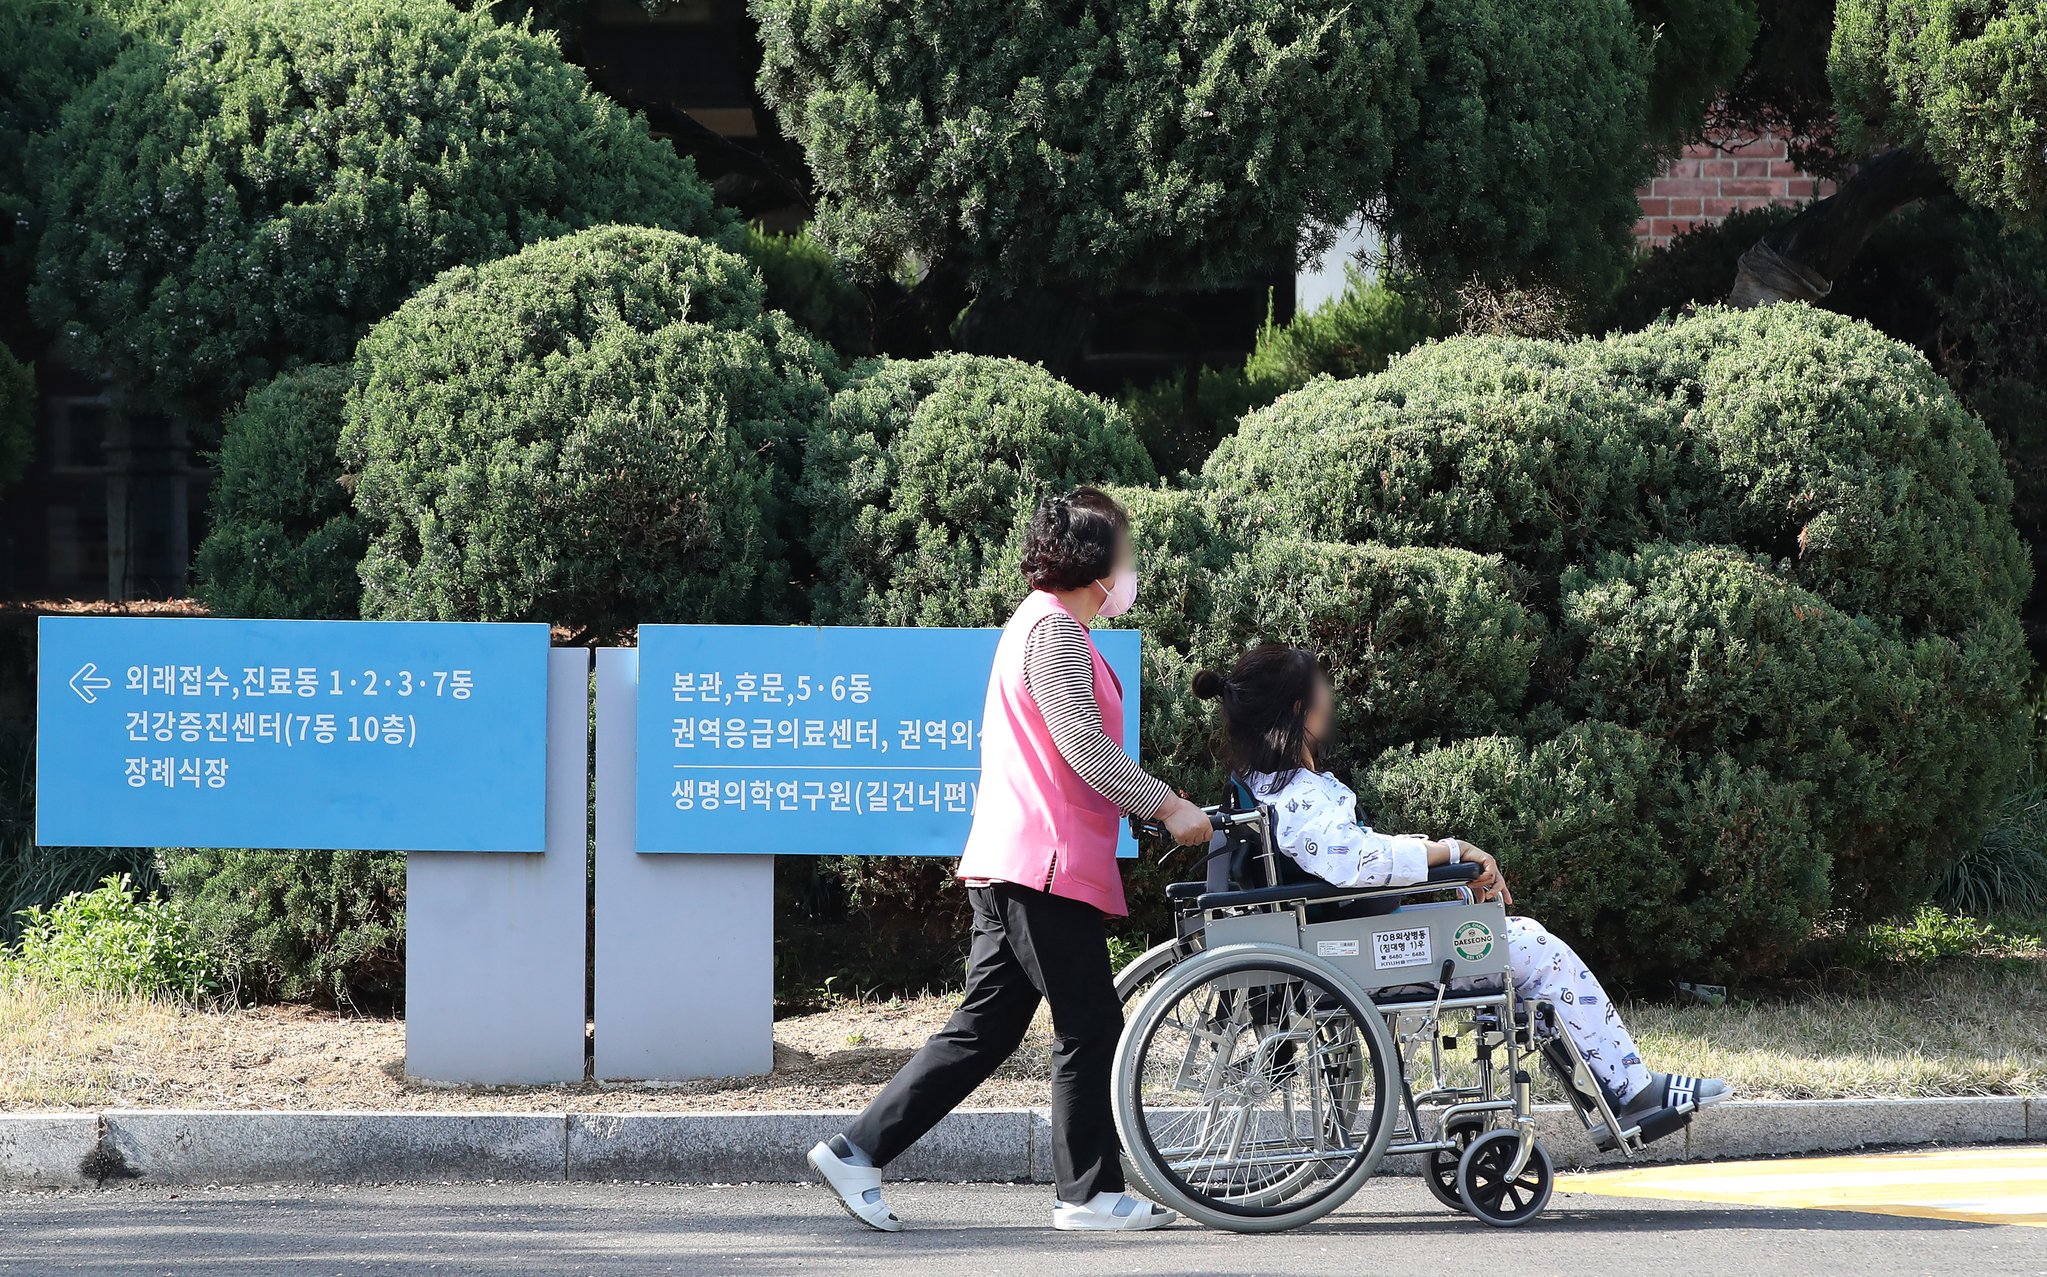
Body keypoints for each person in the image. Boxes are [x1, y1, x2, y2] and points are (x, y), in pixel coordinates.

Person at [808, 486, 1213, 1232]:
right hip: (1042, 865)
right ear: (1096, 566)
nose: (1129, 567)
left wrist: (1156, 798)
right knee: (1091, 1021)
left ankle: (856, 1148)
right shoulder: (1055, 632)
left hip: (1016, 861)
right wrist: (1166, 804)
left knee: (987, 1027)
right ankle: (1087, 1194)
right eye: (1123, 552)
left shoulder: (1041, 623)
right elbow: (1083, 748)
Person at [1190, 643, 1731, 1138]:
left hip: (1346, 942)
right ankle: (1631, 1091)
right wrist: (1451, 854)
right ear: (1297, 710)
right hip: (1356, 957)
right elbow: (1356, 861)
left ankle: (1611, 1085)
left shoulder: (1269, 789)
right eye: (1322, 689)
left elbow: (1355, 857)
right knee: (1536, 950)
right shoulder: (1299, 794)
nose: (1331, 697)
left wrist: (1439, 867)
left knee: (1514, 939)